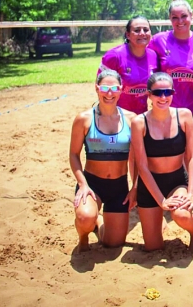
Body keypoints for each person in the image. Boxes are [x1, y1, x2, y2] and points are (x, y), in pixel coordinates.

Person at [130, 72, 193, 252]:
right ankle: (158, 221)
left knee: (182, 215)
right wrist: (160, 201)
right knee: (153, 247)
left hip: (176, 181)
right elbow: (142, 166)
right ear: (149, 95)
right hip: (149, 183)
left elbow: (192, 157)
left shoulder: (184, 116)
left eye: (168, 92)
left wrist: (191, 192)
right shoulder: (139, 122)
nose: (163, 97)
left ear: (173, 93)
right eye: (158, 93)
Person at [69, 69, 136, 252]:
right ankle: (83, 236)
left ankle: (98, 221)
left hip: (119, 187)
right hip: (92, 184)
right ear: (97, 88)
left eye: (114, 88)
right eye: (105, 88)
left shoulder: (131, 119)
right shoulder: (84, 119)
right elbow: (74, 155)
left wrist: (134, 187)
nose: (109, 93)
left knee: (112, 243)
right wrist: (83, 185)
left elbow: (137, 159)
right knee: (84, 218)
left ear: (121, 90)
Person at [148, 0, 193, 130]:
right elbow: (145, 65)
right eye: (175, 17)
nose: (180, 21)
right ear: (170, 19)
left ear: (191, 15)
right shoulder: (159, 41)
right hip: (164, 105)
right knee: (167, 148)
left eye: (184, 16)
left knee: (189, 147)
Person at [98, 16, 159, 114]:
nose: (142, 33)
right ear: (128, 35)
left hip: (140, 117)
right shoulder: (114, 56)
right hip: (116, 117)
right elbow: (100, 86)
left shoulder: (153, 56)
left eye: (146, 30)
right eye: (137, 30)